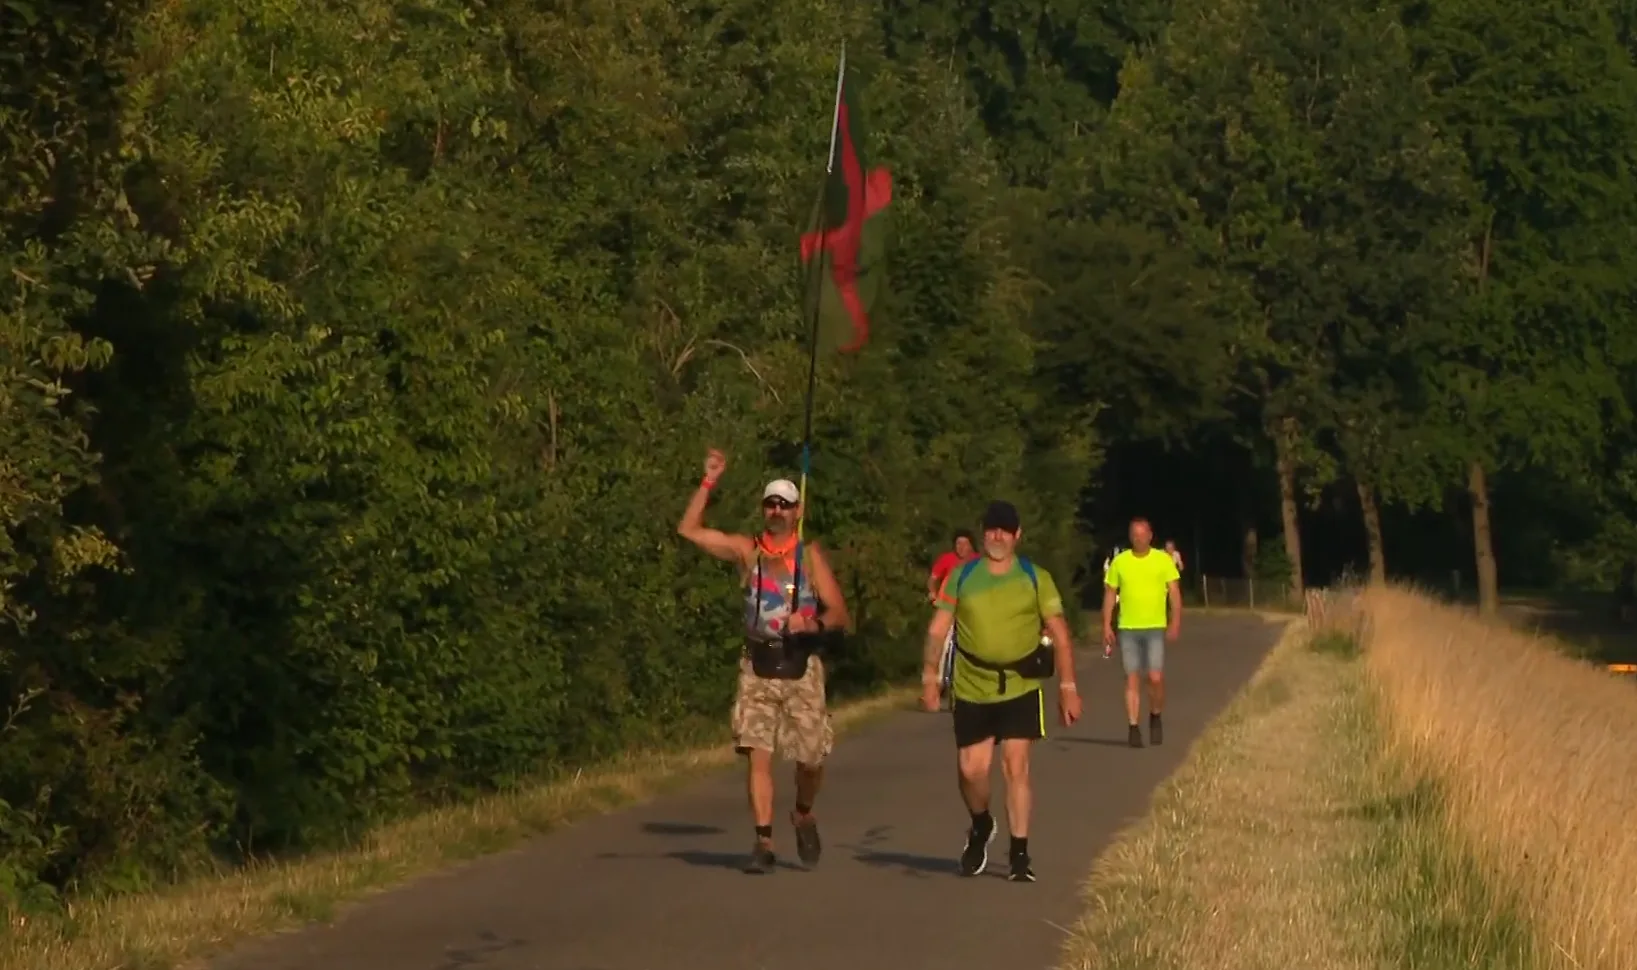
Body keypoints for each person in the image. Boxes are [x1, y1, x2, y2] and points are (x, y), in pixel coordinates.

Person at [677, 447, 850, 873]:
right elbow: (689, 530)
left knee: (811, 758)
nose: (776, 511)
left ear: (797, 511)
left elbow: (840, 613)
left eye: (785, 505)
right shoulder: (746, 551)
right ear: (763, 509)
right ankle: (764, 842)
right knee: (758, 752)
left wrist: (811, 625)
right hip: (757, 666)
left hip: (800, 668)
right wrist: (709, 480)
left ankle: (804, 812)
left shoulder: (809, 557)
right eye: (771, 504)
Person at [920, 500, 1081, 883]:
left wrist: (1069, 686)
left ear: (1017, 535)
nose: (997, 536)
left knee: (1016, 767)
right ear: (982, 532)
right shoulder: (962, 576)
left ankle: (1020, 854)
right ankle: (981, 824)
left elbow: (1059, 633)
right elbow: (938, 628)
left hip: (1021, 684)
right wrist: (930, 676)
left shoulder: (1034, 577)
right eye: (992, 528)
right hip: (972, 684)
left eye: (1005, 530)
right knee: (971, 770)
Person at [1102, 517, 1182, 748]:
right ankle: (1133, 727)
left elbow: (1174, 594)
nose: (1138, 538)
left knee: (1155, 678)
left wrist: (1175, 621)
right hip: (1128, 628)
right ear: (1130, 537)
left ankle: (1155, 715)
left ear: (1150, 535)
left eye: (1142, 534)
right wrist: (1107, 624)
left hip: (1155, 626)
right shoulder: (1121, 562)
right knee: (1132, 677)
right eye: (1134, 534)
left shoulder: (1162, 561)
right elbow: (1110, 594)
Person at [928, 529, 979, 707]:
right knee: (942, 642)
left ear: (971, 545)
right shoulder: (947, 560)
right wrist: (933, 593)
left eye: (965, 544)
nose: (961, 547)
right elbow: (933, 578)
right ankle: (939, 681)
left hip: (971, 611)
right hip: (949, 608)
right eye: (958, 544)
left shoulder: (979, 562)